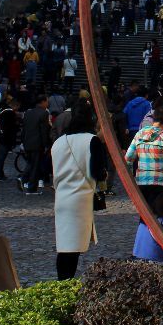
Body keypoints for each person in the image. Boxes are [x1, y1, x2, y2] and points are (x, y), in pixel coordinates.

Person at [51, 101, 107, 280]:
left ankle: (63, 283)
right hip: (80, 199)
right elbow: (97, 172)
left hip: (61, 198)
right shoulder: (92, 140)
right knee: (71, 250)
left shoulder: (59, 142)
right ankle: (64, 285)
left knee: (65, 246)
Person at [124, 100, 163, 210]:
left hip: (141, 180)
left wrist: (131, 177)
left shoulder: (139, 134)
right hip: (160, 182)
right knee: (157, 214)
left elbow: (128, 158)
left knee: (145, 214)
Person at [20, 95, 52, 193]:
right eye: (46, 101)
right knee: (35, 166)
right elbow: (44, 131)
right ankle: (31, 187)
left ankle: (23, 179)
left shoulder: (28, 113)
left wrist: (23, 141)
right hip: (37, 144)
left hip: (27, 142)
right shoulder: (44, 113)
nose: (47, 103)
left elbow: (24, 129)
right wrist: (46, 144)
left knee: (31, 163)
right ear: (42, 102)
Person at [0, 95, 21, 181]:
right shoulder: (10, 113)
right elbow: (11, 129)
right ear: (15, 105)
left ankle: (0, 173)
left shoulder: (2, 109)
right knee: (2, 157)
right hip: (5, 138)